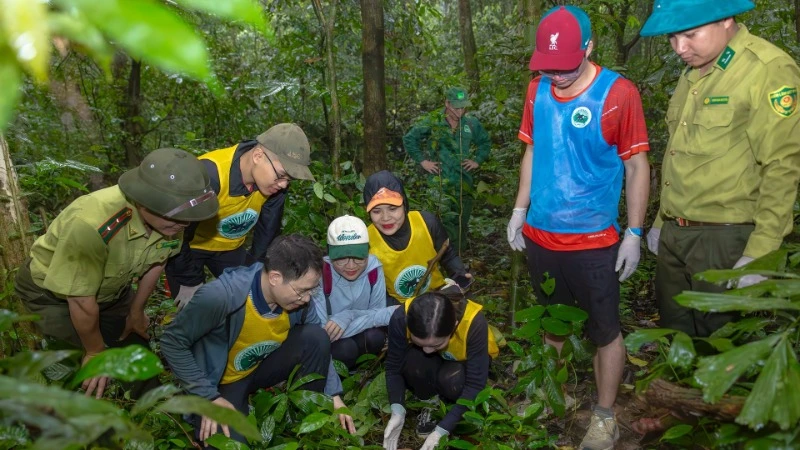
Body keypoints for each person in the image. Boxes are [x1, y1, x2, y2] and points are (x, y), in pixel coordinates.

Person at [506, 5, 650, 449]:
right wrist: (518, 211)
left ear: (588, 48)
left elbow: (637, 165)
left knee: (604, 330)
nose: (557, 76)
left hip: (593, 240)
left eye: (565, 67)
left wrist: (634, 232)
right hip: (542, 235)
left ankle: (604, 417)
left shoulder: (618, 93)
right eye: (548, 68)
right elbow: (533, 150)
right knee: (552, 322)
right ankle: (555, 395)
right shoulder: (537, 90)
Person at [640, 0, 800, 337]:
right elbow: (679, 154)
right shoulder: (692, 72)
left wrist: (761, 250)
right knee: (677, 345)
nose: (679, 48)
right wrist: (660, 221)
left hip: (726, 238)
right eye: (672, 37)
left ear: (725, 18)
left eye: (690, 35)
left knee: (722, 351)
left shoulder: (766, 69)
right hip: (676, 233)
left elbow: (782, 166)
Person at [14, 148, 219, 399]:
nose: (184, 226)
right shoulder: (92, 223)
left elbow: (157, 263)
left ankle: (149, 413)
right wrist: (95, 352)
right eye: (178, 217)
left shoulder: (171, 222)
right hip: (52, 294)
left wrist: (136, 311)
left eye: (189, 218)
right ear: (144, 201)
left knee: (137, 351)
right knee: (71, 366)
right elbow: (79, 298)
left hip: (112, 291)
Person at [160, 234, 354, 446]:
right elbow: (172, 342)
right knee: (231, 445)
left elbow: (318, 338)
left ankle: (301, 417)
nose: (307, 298)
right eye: (302, 291)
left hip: (262, 366)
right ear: (275, 278)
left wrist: (333, 395)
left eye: (312, 290)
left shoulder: (299, 303)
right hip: (222, 382)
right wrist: (207, 396)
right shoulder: (221, 297)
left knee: (316, 337)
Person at [165, 123, 315, 310]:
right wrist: (189, 279)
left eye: (289, 180)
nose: (284, 185)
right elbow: (176, 234)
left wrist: (255, 272)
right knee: (192, 309)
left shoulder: (274, 185)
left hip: (230, 247)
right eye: (282, 175)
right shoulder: (209, 175)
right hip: (189, 248)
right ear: (258, 156)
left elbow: (267, 233)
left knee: (251, 302)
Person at [382, 287, 499, 450]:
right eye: (420, 343)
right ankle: (429, 401)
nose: (427, 350)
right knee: (413, 360)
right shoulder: (402, 317)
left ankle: (453, 409)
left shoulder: (474, 323)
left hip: (460, 365)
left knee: (452, 381)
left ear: (454, 325)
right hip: (430, 364)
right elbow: (393, 367)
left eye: (437, 344)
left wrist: (442, 430)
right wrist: (397, 409)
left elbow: (475, 385)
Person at [403, 87, 491, 255]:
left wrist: (477, 161)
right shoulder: (433, 120)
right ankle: (442, 259)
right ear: (447, 103)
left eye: (463, 107)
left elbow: (485, 142)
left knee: (461, 223)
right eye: (456, 107)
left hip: (463, 182)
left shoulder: (471, 123)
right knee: (441, 223)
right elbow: (410, 138)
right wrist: (423, 161)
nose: (460, 111)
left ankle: (459, 259)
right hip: (440, 183)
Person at [363, 170, 471, 305]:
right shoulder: (366, 241)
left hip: (440, 296)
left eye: (392, 208)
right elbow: (375, 291)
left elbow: (448, 255)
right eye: (376, 211)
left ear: (404, 205)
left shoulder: (426, 223)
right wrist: (402, 311)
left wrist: (460, 276)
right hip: (400, 307)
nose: (386, 218)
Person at [310, 215, 398, 370]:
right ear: (330, 255)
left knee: (375, 337)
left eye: (359, 258)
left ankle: (363, 371)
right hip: (335, 343)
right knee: (346, 349)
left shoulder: (373, 269)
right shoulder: (320, 274)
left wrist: (347, 316)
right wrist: (374, 317)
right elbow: (325, 333)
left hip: (361, 334)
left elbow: (378, 311)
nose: (351, 266)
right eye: (341, 259)